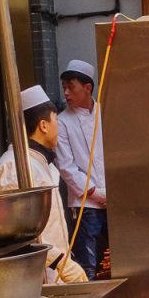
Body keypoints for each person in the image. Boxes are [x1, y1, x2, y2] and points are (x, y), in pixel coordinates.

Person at [0, 85, 87, 284]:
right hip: (33, 278)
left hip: (51, 272)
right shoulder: (16, 167)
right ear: (43, 125)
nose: (58, 127)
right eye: (56, 120)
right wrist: (61, 263)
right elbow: (22, 232)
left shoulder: (38, 163)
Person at [57, 59, 107, 281]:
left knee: (120, 258)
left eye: (71, 87)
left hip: (114, 199)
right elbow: (66, 167)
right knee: (89, 264)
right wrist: (96, 193)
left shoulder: (105, 114)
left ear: (88, 87)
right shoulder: (62, 121)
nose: (66, 93)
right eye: (64, 88)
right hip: (85, 203)